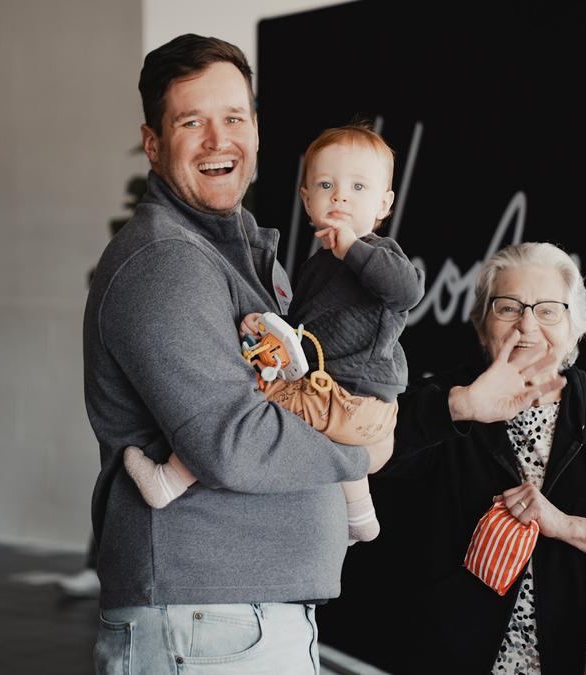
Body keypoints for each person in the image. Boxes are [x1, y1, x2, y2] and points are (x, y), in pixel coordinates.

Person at [83, 35, 383, 672]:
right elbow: (232, 442)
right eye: (192, 122)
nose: (220, 141)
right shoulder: (167, 261)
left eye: (234, 118)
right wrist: (363, 446)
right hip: (204, 624)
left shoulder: (237, 246)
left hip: (230, 620)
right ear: (154, 143)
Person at [329, 242, 586, 673]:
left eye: (548, 310)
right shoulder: (445, 401)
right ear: (483, 323)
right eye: (508, 308)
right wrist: (460, 407)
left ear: (576, 326)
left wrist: (567, 527)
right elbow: (360, 457)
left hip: (581, 661)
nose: (527, 324)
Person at [124, 123, 424, 544]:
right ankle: (360, 514)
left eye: (359, 187)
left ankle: (170, 479)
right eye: (325, 184)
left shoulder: (379, 253)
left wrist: (355, 248)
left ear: (384, 205)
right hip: (338, 400)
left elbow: (406, 291)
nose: (340, 195)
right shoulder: (318, 266)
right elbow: (306, 338)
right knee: (304, 419)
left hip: (351, 397)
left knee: (246, 404)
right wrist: (265, 331)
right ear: (306, 198)